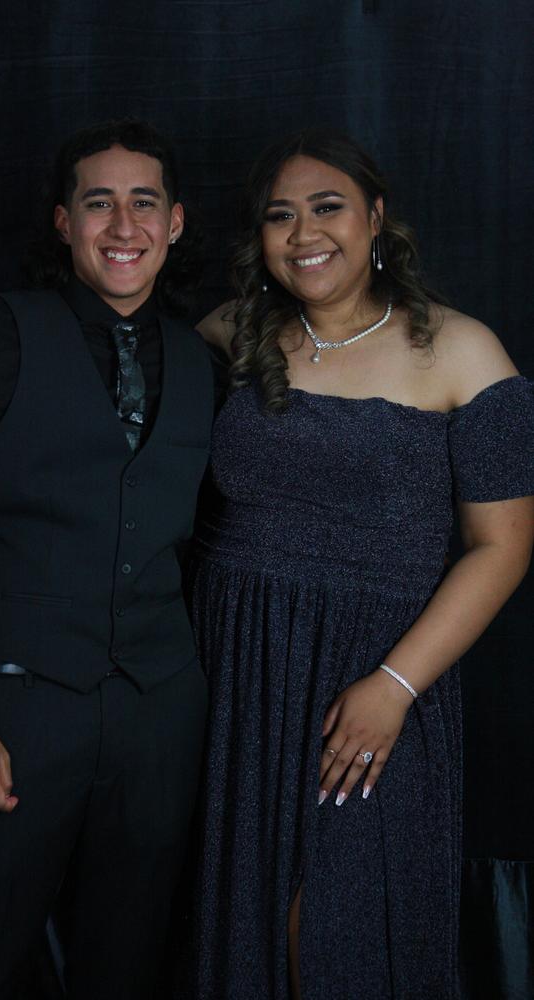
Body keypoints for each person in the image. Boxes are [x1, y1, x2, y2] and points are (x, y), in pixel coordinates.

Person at [186, 129, 534, 1000]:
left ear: (377, 218)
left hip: (379, 676)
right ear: (259, 239)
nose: (305, 232)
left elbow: (505, 546)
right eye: (280, 216)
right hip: (238, 673)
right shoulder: (230, 334)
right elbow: (124, 459)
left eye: (328, 206)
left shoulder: (464, 351)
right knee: (251, 922)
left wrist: (395, 687)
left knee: (340, 935)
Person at [0, 119, 215, 1000]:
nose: (123, 226)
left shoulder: (205, 361)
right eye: (98, 203)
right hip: (17, 712)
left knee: (130, 962)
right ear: (63, 222)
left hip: (160, 716)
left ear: (176, 222)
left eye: (143, 203)